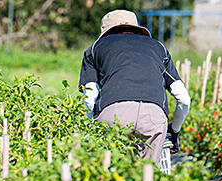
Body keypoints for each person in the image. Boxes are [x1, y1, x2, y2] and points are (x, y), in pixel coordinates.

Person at [79, 9, 190, 165]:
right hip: (154, 117)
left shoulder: (95, 48)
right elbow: (184, 99)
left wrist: (92, 128)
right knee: (147, 177)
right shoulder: (159, 48)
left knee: (111, 176)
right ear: (136, 28)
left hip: (113, 117)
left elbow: (89, 99)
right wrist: (175, 131)